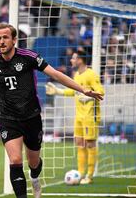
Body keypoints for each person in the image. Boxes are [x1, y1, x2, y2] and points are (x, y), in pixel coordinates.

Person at [0, 24, 103, 198]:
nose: (1, 41)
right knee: (15, 160)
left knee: (33, 162)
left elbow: (55, 74)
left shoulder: (28, 57)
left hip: (31, 117)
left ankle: (35, 178)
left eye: (5, 37)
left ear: (14, 40)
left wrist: (82, 90)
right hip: (8, 117)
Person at [45, 51, 105, 185]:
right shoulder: (76, 75)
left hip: (90, 116)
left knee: (90, 144)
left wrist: (88, 96)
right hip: (79, 116)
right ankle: (80, 173)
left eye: (73, 58)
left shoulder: (91, 74)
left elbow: (100, 91)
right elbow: (74, 91)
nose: (71, 60)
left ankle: (89, 175)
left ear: (81, 60)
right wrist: (58, 91)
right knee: (79, 144)